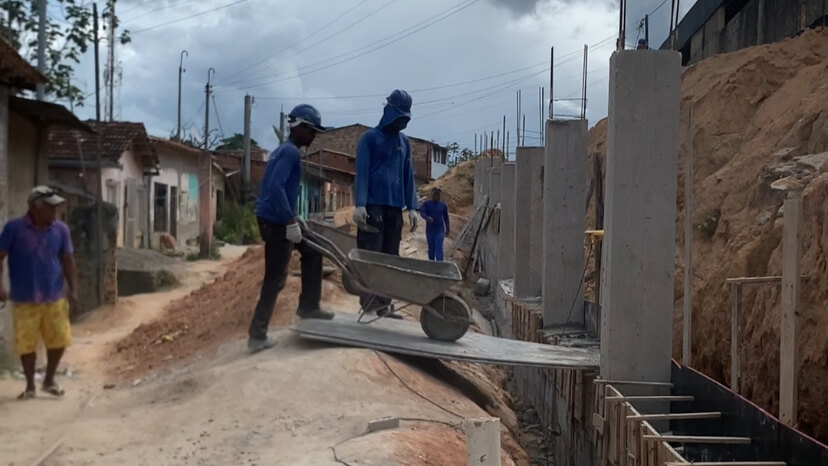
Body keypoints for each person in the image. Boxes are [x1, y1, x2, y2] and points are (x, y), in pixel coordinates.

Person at [248, 104, 333, 354]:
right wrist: (289, 221)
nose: (314, 137)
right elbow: (276, 187)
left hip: (275, 217)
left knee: (313, 250)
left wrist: (295, 217)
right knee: (275, 278)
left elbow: (281, 189)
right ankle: (257, 335)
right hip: (275, 222)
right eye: (312, 131)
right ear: (300, 128)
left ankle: (309, 306)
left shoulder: (281, 150)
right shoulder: (290, 153)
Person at [0, 186, 78, 400]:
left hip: (55, 295)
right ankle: (30, 386)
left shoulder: (61, 230)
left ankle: (49, 379)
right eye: (50, 207)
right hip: (24, 297)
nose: (54, 212)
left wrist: (73, 289)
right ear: (35, 207)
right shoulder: (14, 229)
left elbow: (68, 260)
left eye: (55, 208)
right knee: (26, 344)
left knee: (60, 340)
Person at [353, 89, 418, 317]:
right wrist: (360, 203)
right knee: (372, 255)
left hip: (394, 209)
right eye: (399, 118)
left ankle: (384, 304)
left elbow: (408, 174)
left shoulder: (404, 142)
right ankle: (369, 304)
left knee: (390, 258)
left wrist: (412, 207)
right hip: (373, 207)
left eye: (405, 120)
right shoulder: (369, 139)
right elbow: (361, 172)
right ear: (389, 111)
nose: (401, 124)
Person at [419, 187, 450, 261]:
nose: (437, 196)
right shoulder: (426, 204)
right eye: (435, 194)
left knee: (438, 248)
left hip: (439, 230)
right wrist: (427, 218)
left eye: (438, 194)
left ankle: (440, 265)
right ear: (432, 195)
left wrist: (448, 228)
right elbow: (422, 212)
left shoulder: (443, 205)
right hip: (430, 230)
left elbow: (446, 217)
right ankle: (431, 263)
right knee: (431, 249)